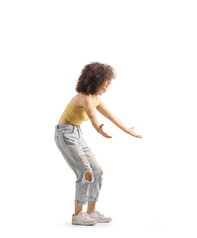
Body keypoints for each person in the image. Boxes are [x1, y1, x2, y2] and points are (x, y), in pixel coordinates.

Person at [54, 62, 142, 225]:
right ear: (96, 79)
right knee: (86, 172)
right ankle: (77, 215)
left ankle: (91, 212)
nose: (109, 83)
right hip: (65, 134)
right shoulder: (84, 97)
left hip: (77, 133)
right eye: (107, 80)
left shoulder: (96, 98)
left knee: (97, 171)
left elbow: (111, 116)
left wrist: (126, 130)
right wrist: (98, 130)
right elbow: (93, 116)